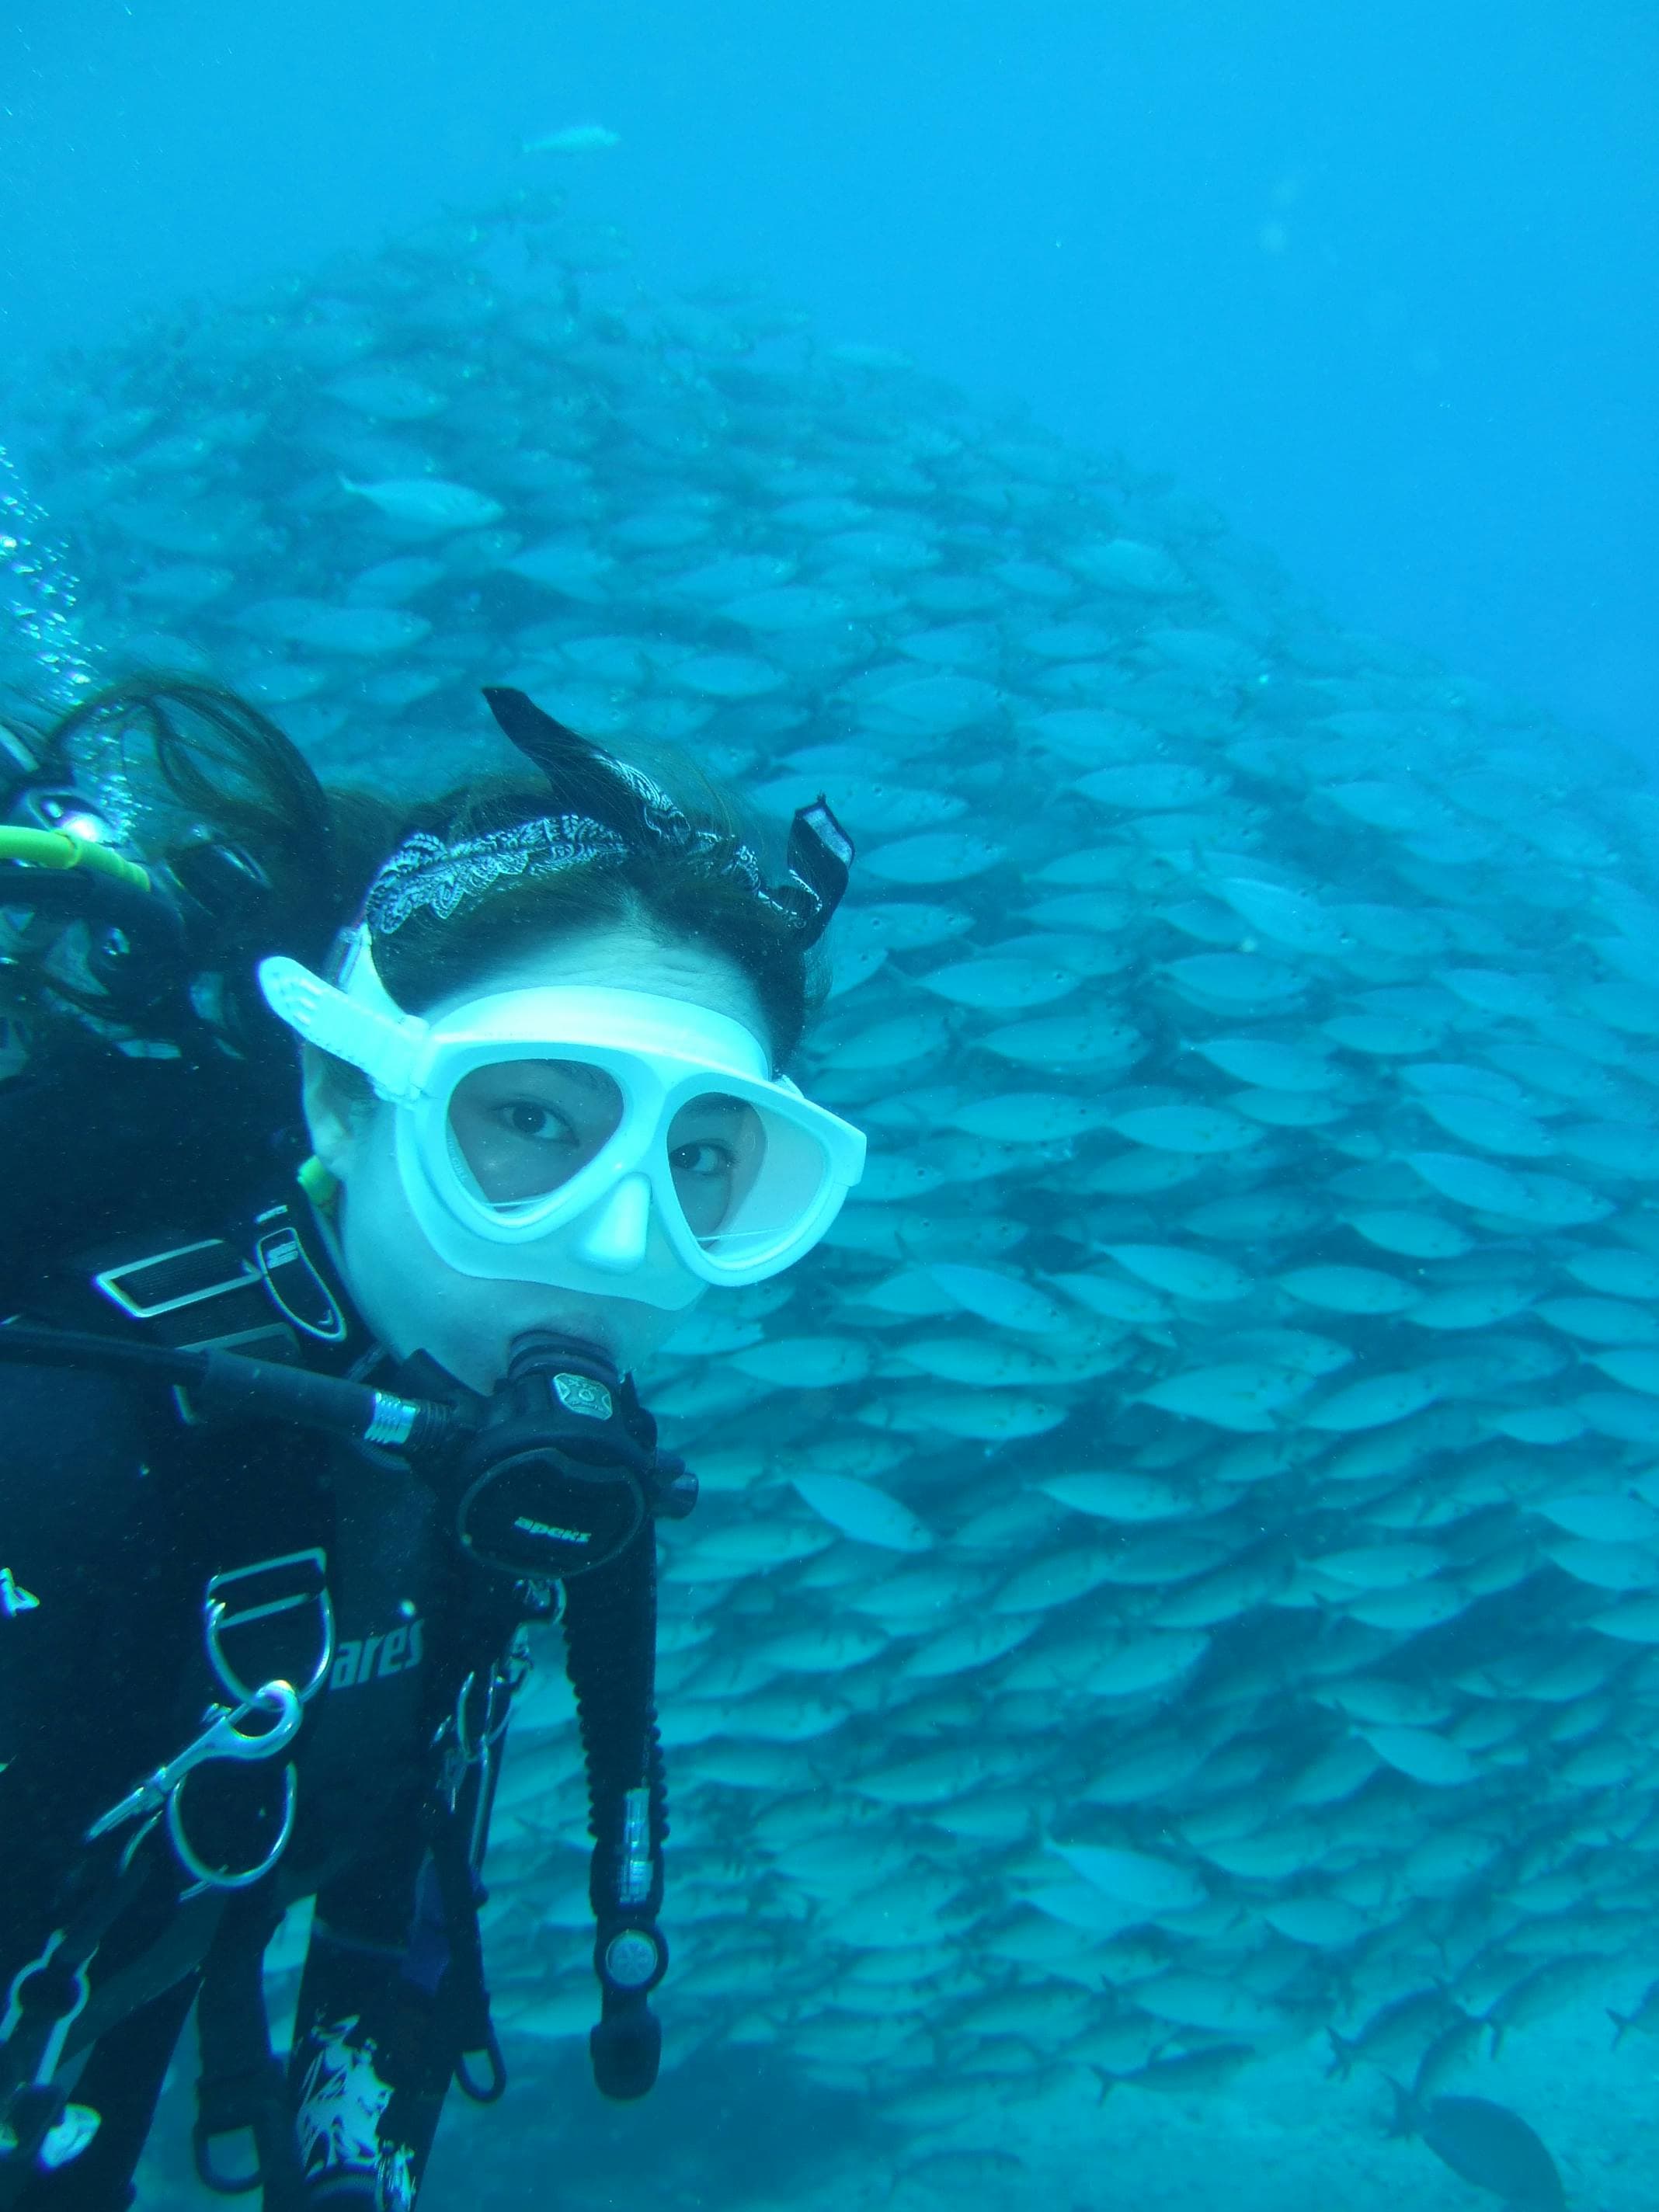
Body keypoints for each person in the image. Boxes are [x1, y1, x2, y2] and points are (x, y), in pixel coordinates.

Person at [0, 680, 864, 2212]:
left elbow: (385, 1871)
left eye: (704, 1159)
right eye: (529, 1119)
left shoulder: (461, 1453)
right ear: (343, 1087)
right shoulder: (54, 1440)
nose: (617, 1238)